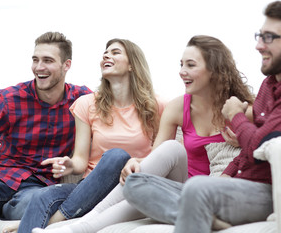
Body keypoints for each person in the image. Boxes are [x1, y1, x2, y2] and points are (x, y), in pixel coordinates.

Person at [123, 0, 281, 233]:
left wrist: (236, 116)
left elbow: (261, 146)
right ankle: (204, 216)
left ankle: (198, 209)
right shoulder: (269, 83)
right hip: (237, 185)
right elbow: (248, 150)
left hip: (267, 191)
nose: (259, 46)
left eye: (269, 38)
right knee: (136, 183)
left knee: (197, 188)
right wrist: (225, 175)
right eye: (259, 36)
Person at [32, 35, 255, 233]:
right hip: (180, 184)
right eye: (181, 64)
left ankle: (77, 228)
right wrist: (136, 162)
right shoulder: (178, 107)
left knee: (141, 188)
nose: (181, 71)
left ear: (214, 70)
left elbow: (263, 144)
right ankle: (78, 226)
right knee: (166, 154)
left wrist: (244, 133)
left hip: (213, 191)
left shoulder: (241, 110)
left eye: (190, 65)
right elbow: (159, 155)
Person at [11, 38, 165, 233]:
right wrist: (69, 164)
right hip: (90, 189)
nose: (106, 55)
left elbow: (164, 156)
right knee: (41, 196)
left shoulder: (157, 106)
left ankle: (54, 222)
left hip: (129, 187)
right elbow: (81, 162)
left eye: (115, 52)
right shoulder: (87, 103)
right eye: (105, 52)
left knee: (117, 156)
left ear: (132, 65)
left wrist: (135, 161)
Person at [0, 32, 92, 233]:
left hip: (37, 190)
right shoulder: (10, 98)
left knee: (36, 203)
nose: (39, 67)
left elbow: (113, 121)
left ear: (66, 65)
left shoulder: (82, 100)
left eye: (48, 60)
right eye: (35, 60)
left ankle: (7, 211)